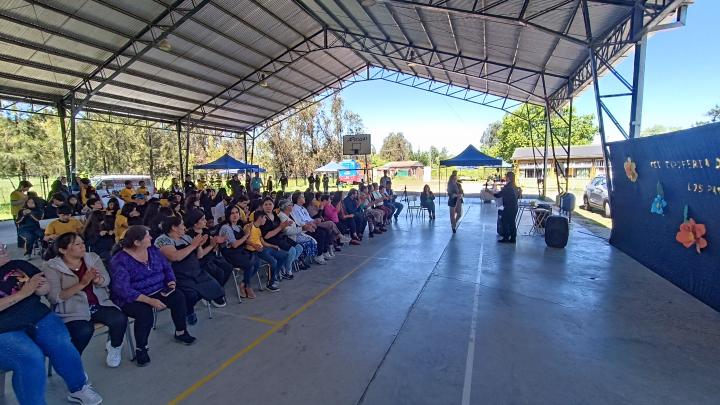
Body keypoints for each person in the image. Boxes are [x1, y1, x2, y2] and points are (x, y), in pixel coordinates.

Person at [0, 244, 103, 405]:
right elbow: (25, 292)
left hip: (37, 316)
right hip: (3, 330)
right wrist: (23, 293)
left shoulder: (18, 265)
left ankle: (78, 388)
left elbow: (44, 286)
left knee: (61, 343)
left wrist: (41, 288)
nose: (2, 248)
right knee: (31, 358)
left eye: (2, 245)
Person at [110, 225, 196, 367]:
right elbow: (122, 289)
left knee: (178, 297)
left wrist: (171, 282)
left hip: (158, 289)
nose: (151, 238)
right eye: (147, 236)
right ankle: (141, 348)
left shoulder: (153, 251)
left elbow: (167, 267)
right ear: (137, 242)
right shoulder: (119, 261)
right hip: (133, 298)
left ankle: (181, 332)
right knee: (144, 314)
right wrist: (149, 300)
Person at [43, 233, 128, 367]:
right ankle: (73, 362)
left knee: (119, 319)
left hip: (98, 303)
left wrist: (98, 280)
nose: (83, 246)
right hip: (72, 309)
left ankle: (115, 347)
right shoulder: (52, 267)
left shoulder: (92, 258)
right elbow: (55, 297)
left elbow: (106, 280)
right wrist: (82, 283)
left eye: (82, 243)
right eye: (77, 244)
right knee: (83, 331)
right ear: (63, 250)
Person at [155, 216, 226, 325]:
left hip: (196, 272)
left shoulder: (186, 237)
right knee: (191, 294)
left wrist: (201, 245)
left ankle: (211, 299)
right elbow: (175, 257)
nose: (185, 227)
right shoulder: (162, 240)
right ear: (174, 227)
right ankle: (189, 311)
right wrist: (193, 245)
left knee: (214, 284)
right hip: (177, 275)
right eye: (182, 225)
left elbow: (200, 256)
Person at [185, 209, 234, 289]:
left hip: (211, 257)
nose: (205, 221)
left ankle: (218, 289)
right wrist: (211, 245)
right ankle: (216, 292)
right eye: (202, 219)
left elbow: (214, 249)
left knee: (228, 267)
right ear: (195, 223)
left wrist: (217, 243)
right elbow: (199, 256)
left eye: (205, 218)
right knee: (219, 272)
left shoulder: (205, 230)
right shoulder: (190, 236)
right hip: (201, 262)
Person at [219, 206, 260, 299]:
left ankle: (243, 283)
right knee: (249, 263)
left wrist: (252, 243)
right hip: (230, 254)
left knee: (257, 262)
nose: (235, 215)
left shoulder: (238, 226)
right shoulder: (226, 227)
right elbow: (234, 244)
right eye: (232, 213)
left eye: (237, 212)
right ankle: (247, 286)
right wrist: (246, 235)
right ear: (228, 215)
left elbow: (243, 241)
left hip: (240, 251)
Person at [259, 197, 302, 279]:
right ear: (262, 206)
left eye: (270, 204)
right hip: (270, 240)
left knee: (299, 248)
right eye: (266, 204)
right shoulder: (262, 217)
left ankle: (284, 266)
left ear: (273, 205)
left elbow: (281, 228)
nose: (268, 206)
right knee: (292, 250)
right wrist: (281, 227)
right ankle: (287, 271)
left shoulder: (275, 215)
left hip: (280, 237)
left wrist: (285, 226)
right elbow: (266, 236)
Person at [244, 211, 287, 291]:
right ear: (260, 218)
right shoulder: (249, 226)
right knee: (273, 261)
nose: (265, 220)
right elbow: (245, 240)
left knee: (284, 255)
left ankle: (274, 275)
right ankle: (270, 284)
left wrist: (273, 246)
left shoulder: (258, 229)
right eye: (264, 218)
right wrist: (254, 245)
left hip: (262, 248)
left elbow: (263, 242)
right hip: (255, 251)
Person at [277, 199, 316, 269]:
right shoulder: (281, 216)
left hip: (296, 234)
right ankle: (288, 266)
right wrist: (302, 228)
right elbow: (287, 231)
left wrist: (307, 225)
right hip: (288, 238)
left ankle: (290, 263)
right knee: (300, 247)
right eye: (290, 205)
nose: (292, 206)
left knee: (310, 240)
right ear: (285, 207)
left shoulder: (291, 214)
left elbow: (299, 223)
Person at [494, 172, 519, 244]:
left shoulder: (508, 187)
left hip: (509, 207)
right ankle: (513, 238)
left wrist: (489, 192)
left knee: (504, 221)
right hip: (514, 206)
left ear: (509, 177)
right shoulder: (514, 186)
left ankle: (506, 238)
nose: (505, 177)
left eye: (506, 176)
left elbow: (498, 195)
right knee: (511, 222)